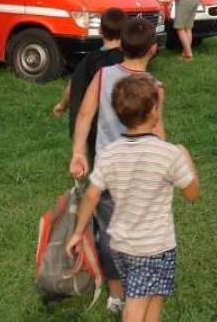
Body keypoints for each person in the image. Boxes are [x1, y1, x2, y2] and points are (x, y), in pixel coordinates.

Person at [66, 75, 200, 322]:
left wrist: (77, 232)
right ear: (152, 110)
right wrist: (186, 156)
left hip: (121, 247)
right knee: (136, 307)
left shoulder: (109, 154)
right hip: (154, 248)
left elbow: (92, 195)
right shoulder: (169, 154)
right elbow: (192, 194)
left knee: (152, 305)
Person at [69, 18, 165, 315]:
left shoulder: (102, 75)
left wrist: (78, 153)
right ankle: (140, 285)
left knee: (108, 234)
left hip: (107, 170)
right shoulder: (154, 86)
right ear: (154, 49)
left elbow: (84, 115)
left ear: (120, 45)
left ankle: (115, 295)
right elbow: (157, 128)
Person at [53, 7, 127, 147]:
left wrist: (62, 105)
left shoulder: (89, 60)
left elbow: (74, 84)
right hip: (118, 126)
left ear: (100, 30)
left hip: (90, 126)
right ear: (125, 33)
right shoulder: (126, 61)